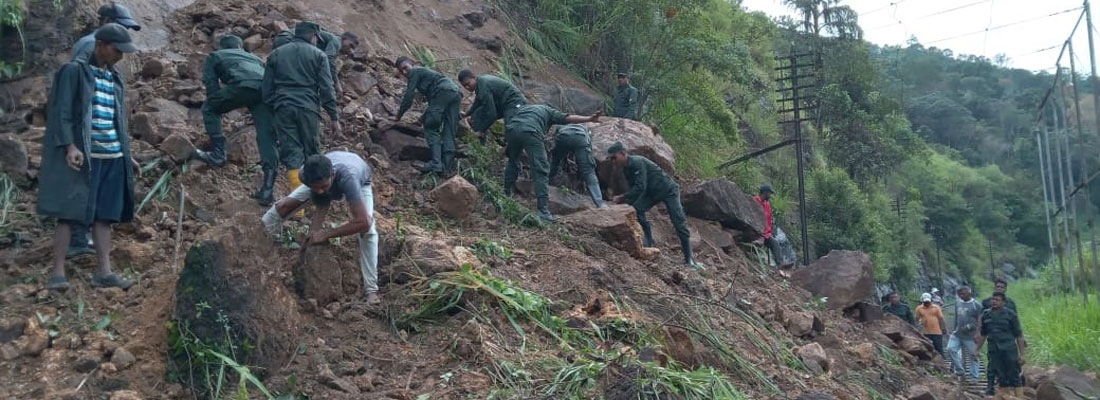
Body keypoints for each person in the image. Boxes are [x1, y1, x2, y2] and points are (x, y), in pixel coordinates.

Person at [39, 24, 140, 291]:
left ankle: (104, 272)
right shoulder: (74, 72)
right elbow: (62, 113)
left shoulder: (115, 78)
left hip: (112, 155)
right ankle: (58, 273)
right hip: (85, 155)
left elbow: (118, 119)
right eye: (117, 50)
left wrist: (126, 154)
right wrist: (70, 147)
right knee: (69, 211)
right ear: (100, 45)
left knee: (105, 215)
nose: (120, 56)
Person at [67, 2, 142, 259]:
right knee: (87, 185)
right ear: (105, 21)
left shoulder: (104, 54)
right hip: (90, 134)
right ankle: (77, 238)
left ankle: (82, 236)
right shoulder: (91, 46)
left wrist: (123, 150)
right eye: (121, 27)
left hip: (101, 136)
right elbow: (80, 96)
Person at [262, 152, 379, 304]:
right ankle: (259, 247)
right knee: (282, 207)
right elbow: (322, 199)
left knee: (368, 231)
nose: (319, 190)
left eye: (323, 186)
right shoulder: (305, 174)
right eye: (315, 187)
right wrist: (313, 233)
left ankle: (372, 290)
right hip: (325, 178)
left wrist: (326, 235)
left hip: (361, 181)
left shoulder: (348, 179)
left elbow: (363, 221)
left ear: (333, 174)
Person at [193, 35, 278, 205]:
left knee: (210, 108)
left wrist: (216, 101)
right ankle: (268, 189)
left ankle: (218, 154)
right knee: (266, 135)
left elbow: (211, 83)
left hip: (241, 86)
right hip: (265, 91)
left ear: (222, 47)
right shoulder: (254, 57)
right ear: (240, 47)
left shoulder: (216, 56)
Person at [262, 21, 340, 202]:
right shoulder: (319, 55)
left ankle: (298, 207)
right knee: (312, 151)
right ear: (313, 36)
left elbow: (266, 90)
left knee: (291, 152)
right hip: (308, 108)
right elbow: (326, 88)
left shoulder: (276, 54)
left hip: (283, 107)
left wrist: (278, 103)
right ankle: (318, 199)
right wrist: (334, 117)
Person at [608, 143, 702, 269]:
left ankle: (689, 259)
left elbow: (640, 187)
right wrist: (627, 204)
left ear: (623, 154)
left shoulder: (637, 162)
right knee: (637, 210)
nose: (613, 161)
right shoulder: (626, 168)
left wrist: (622, 197)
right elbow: (635, 189)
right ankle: (648, 241)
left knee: (678, 222)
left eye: (614, 157)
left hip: (668, 190)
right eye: (611, 159)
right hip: (651, 193)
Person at [504, 105, 602, 221]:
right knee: (541, 169)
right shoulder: (549, 111)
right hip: (531, 131)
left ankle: (506, 194)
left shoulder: (526, 109)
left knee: (513, 160)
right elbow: (568, 118)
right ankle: (543, 211)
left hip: (512, 129)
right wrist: (589, 119)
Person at [393, 56, 462, 175]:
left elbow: (409, 96)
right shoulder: (426, 75)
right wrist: (420, 120)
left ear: (412, 64)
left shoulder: (415, 71)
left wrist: (398, 116)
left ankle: (436, 163)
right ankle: (446, 168)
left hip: (443, 91)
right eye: (401, 71)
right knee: (449, 130)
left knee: (430, 128)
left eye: (405, 68)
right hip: (455, 93)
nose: (404, 72)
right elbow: (433, 104)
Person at [273, 27, 358, 95]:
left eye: (353, 49)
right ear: (343, 39)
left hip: (282, 40)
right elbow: (329, 59)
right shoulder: (337, 41)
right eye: (350, 45)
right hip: (289, 41)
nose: (351, 50)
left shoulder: (329, 41)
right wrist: (336, 83)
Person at [976, 292, 1026, 399]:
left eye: (997, 300)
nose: (994, 301)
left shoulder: (1011, 315)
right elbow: (983, 334)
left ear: (1003, 302)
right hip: (994, 351)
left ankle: (1020, 397)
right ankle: (1006, 397)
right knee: (1001, 376)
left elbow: (1019, 335)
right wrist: (977, 349)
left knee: (1014, 375)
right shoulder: (986, 315)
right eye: (993, 299)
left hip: (1009, 350)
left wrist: (1022, 354)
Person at [457, 70, 527, 140]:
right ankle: (481, 144)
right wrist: (467, 113)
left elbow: (492, 114)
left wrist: (481, 131)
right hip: (502, 103)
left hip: (514, 102)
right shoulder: (479, 84)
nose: (467, 87)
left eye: (468, 84)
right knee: (478, 113)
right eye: (464, 86)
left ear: (474, 78)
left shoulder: (484, 86)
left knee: (511, 128)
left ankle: (518, 148)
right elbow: (478, 101)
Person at [548, 124, 605, 209]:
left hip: (562, 137)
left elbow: (556, 141)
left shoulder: (561, 126)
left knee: (555, 163)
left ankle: (546, 184)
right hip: (580, 139)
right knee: (589, 172)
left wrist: (562, 156)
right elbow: (588, 143)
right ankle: (600, 204)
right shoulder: (585, 129)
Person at [71, 3, 141, 61]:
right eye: (122, 26)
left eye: (127, 28)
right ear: (106, 21)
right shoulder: (92, 43)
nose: (124, 31)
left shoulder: (96, 42)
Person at [947, 285, 982, 380]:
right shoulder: (958, 303)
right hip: (957, 334)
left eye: (963, 294)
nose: (961, 296)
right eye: (960, 294)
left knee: (974, 356)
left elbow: (980, 320)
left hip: (970, 336)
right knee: (950, 349)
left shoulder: (976, 305)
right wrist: (954, 329)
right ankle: (960, 371)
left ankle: (974, 377)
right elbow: (956, 318)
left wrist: (976, 331)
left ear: (969, 293)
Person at [752, 185, 782, 264]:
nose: (770, 196)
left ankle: (781, 265)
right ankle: (755, 262)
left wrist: (768, 233)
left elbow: (769, 220)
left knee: (774, 243)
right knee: (756, 244)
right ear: (764, 193)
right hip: (755, 232)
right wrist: (760, 235)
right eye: (769, 193)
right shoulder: (754, 201)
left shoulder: (767, 204)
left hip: (765, 234)